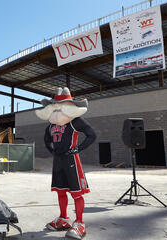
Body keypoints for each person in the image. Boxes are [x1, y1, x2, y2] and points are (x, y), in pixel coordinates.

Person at [35, 87, 96, 240]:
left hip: (71, 160)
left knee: (76, 193)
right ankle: (63, 219)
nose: (58, 108)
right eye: (56, 104)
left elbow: (92, 135)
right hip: (58, 161)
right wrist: (52, 151)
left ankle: (80, 223)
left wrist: (78, 149)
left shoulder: (75, 120)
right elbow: (46, 140)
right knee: (60, 191)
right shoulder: (51, 124)